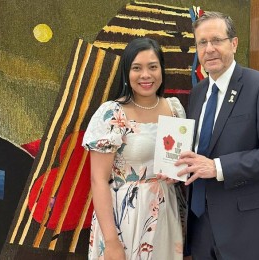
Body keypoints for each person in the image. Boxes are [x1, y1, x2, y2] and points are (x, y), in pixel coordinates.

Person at [176, 11, 259, 260]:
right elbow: (200, 150)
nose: (209, 49)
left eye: (216, 40)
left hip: (247, 229)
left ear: (234, 43)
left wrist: (218, 167)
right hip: (201, 226)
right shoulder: (197, 93)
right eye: (202, 43)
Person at [82, 37, 186, 260]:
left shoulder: (174, 109)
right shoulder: (112, 113)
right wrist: (111, 241)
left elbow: (178, 163)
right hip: (124, 217)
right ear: (127, 73)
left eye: (153, 67)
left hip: (166, 213)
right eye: (137, 68)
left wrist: (177, 174)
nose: (146, 75)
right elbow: (98, 179)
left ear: (161, 70)